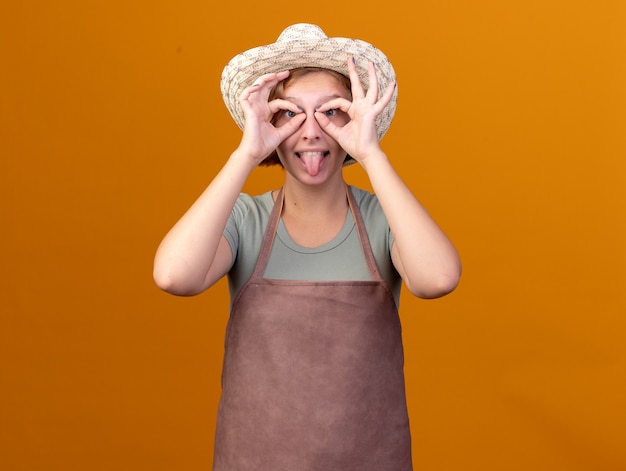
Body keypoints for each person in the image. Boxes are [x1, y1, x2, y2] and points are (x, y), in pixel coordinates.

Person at [153, 23, 461, 471]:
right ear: (270, 123)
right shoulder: (244, 220)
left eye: (331, 112)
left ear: (354, 119)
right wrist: (246, 152)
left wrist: (372, 154)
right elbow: (173, 276)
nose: (312, 131)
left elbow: (438, 279)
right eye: (291, 113)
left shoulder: (382, 220)